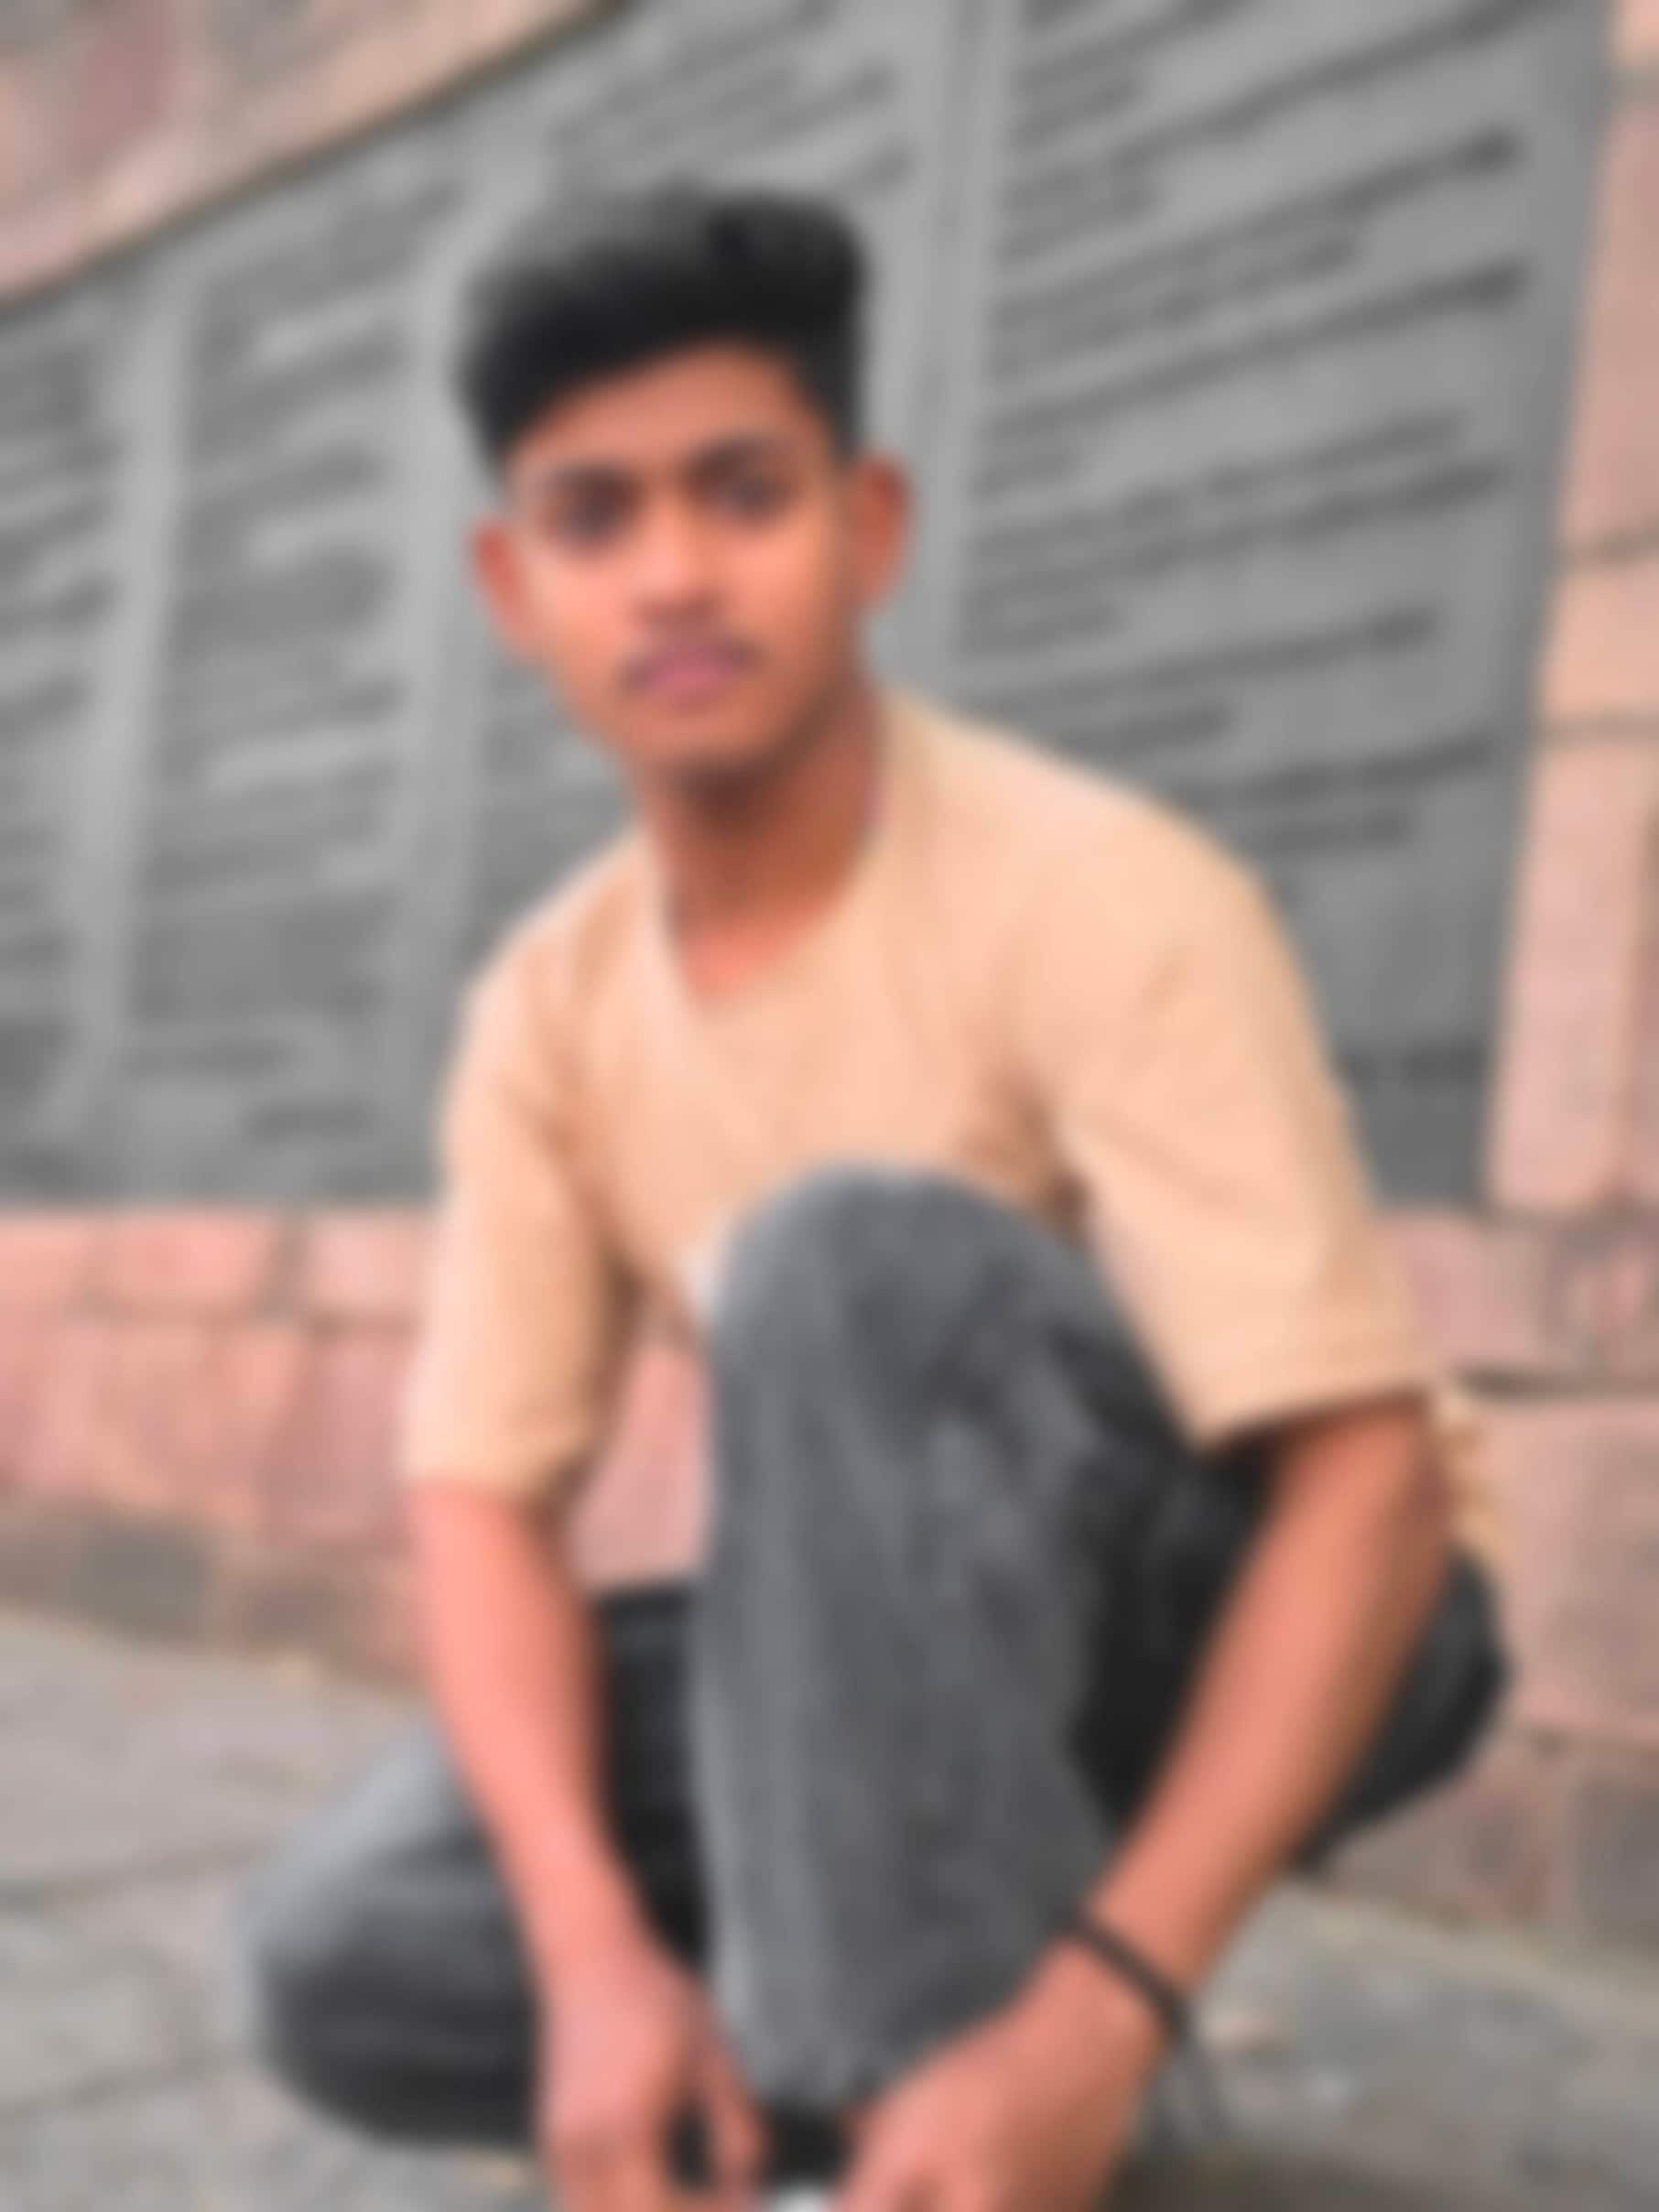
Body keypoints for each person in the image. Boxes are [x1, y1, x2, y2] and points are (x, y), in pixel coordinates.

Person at [232, 183, 1510, 2209]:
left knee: (839, 1262)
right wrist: (589, 1954)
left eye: (744, 495)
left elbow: (1371, 1488)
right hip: (880, 1652)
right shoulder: (549, 1003)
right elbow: (479, 1499)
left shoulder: (1101, 893)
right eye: (593, 519)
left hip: (1278, 1607)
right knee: (350, 1947)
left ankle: (957, 2109)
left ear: (869, 526)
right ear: (511, 586)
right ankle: (963, 2129)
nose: (674, 575)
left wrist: (1104, 2001)